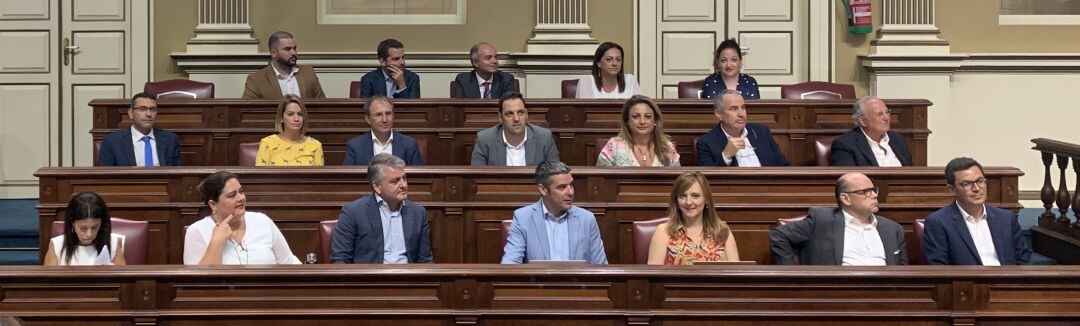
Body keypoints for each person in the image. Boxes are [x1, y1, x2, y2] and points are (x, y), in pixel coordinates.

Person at [769, 172, 908, 265]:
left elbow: (902, 270)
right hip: (836, 297)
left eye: (874, 190)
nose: (874, 195)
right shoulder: (821, 220)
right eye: (866, 192)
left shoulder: (892, 229)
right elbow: (778, 235)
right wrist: (793, 275)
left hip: (885, 297)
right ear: (845, 198)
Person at [922, 157, 1032, 265]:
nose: (976, 188)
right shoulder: (938, 223)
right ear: (952, 189)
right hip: (966, 282)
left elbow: (1024, 260)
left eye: (980, 181)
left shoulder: (1006, 219)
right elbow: (939, 270)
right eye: (967, 184)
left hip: (1007, 281)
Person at [332, 153, 433, 263]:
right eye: (395, 181)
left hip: (407, 277)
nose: (403, 185)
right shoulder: (353, 212)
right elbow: (340, 259)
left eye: (404, 178)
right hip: (370, 278)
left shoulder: (418, 213)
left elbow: (425, 260)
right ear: (377, 186)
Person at [184, 171, 301, 265]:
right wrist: (216, 242)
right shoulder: (197, 231)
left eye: (241, 192)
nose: (241, 198)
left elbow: (289, 262)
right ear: (213, 204)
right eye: (232, 195)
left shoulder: (262, 221)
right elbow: (197, 283)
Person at [501, 161, 607, 264]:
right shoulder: (523, 218)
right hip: (538, 282)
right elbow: (510, 264)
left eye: (571, 185)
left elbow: (601, 266)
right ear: (543, 190)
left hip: (577, 282)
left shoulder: (587, 219)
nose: (570, 192)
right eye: (562, 187)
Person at [647, 172, 740, 265]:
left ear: (706, 199)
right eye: (683, 196)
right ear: (676, 201)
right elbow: (654, 276)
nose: (688, 202)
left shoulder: (722, 231)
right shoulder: (664, 231)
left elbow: (736, 275)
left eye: (695, 196)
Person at [696, 90, 789, 167]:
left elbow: (783, 165)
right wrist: (726, 155)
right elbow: (709, 179)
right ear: (719, 114)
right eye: (734, 109)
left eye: (743, 107)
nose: (741, 114)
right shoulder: (706, 143)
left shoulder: (761, 132)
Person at [471, 92, 560, 166]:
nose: (516, 119)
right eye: (509, 114)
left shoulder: (544, 137)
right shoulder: (484, 139)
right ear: (500, 117)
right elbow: (477, 178)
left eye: (520, 112)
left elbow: (555, 175)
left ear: (526, 115)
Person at [98, 92, 181, 166]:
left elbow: (177, 176)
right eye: (142, 109)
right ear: (131, 113)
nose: (148, 114)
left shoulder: (170, 139)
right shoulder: (112, 141)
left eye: (152, 109)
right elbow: (106, 178)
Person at [43, 192, 126, 266]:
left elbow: (124, 282)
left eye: (94, 227)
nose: (89, 234)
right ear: (72, 222)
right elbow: (47, 282)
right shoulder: (58, 245)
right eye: (83, 228)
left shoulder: (113, 244)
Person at [829, 96, 913, 167]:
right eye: (879, 114)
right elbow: (849, 180)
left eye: (887, 112)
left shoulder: (897, 138)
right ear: (863, 121)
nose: (886, 118)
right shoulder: (845, 144)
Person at [597, 95, 680, 167]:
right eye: (636, 116)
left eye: (647, 117)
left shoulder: (667, 147)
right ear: (627, 121)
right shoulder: (614, 146)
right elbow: (601, 181)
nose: (642, 122)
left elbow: (679, 182)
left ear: (655, 121)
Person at [242, 31, 326, 99]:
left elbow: (323, 106)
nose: (294, 53)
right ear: (274, 53)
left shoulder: (308, 73)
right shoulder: (256, 80)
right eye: (287, 49)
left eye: (294, 48)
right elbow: (246, 112)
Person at [344, 95, 424, 166]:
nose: (385, 120)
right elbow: (348, 180)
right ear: (368, 119)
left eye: (388, 114)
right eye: (378, 115)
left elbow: (418, 179)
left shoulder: (409, 144)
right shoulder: (355, 146)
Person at [255, 95, 324, 166]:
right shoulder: (268, 143)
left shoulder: (315, 145)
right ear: (281, 118)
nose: (296, 119)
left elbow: (319, 177)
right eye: (290, 114)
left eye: (300, 114)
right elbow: (260, 176)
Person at [575, 42, 640, 99]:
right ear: (599, 63)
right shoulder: (587, 81)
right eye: (609, 59)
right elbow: (583, 110)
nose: (614, 64)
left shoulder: (630, 81)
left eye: (618, 59)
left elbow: (639, 108)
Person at [451, 42, 517, 99]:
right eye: (488, 58)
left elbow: (510, 106)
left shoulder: (506, 79)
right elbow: (459, 108)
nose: (495, 61)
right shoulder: (463, 81)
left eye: (496, 57)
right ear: (475, 62)